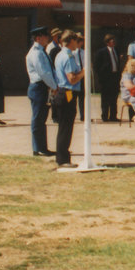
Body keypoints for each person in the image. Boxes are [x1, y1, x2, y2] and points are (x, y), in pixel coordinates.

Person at [53, 30, 84, 168]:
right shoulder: (68, 56)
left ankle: (62, 155)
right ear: (71, 41)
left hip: (63, 92)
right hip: (68, 93)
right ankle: (63, 158)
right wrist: (83, 72)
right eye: (76, 40)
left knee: (64, 126)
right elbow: (71, 79)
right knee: (66, 126)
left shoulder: (61, 55)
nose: (77, 43)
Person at [25, 26, 57, 157]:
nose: (47, 39)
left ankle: (41, 147)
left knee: (41, 119)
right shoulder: (36, 53)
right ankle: (38, 148)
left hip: (43, 87)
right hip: (38, 87)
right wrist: (54, 86)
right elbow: (44, 73)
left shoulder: (41, 51)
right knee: (38, 119)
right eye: (45, 36)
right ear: (38, 38)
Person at [93, 34, 122, 123]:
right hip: (106, 78)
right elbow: (96, 66)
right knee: (105, 98)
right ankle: (105, 116)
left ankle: (113, 116)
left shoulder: (116, 50)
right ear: (107, 42)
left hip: (115, 77)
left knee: (114, 97)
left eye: (114, 40)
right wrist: (101, 76)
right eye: (111, 40)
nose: (113, 42)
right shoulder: (101, 52)